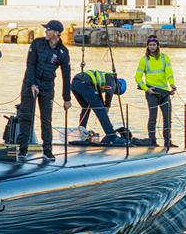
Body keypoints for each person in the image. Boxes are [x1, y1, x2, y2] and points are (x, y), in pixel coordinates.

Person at [16, 20, 72, 162]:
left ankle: (47, 150)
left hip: (47, 86)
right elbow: (30, 64)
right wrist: (32, 83)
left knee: (46, 119)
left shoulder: (63, 52)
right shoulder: (37, 43)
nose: (45, 32)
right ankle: (22, 149)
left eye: (48, 30)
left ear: (56, 33)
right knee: (26, 116)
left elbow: (66, 75)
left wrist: (67, 98)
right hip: (30, 84)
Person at [135, 35, 178, 148]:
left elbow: (169, 73)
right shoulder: (144, 60)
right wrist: (146, 89)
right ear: (147, 46)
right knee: (152, 118)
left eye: (154, 45)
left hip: (164, 92)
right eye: (150, 45)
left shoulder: (165, 58)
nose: (152, 47)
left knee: (167, 118)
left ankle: (168, 142)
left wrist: (172, 84)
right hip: (152, 92)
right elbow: (137, 78)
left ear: (158, 46)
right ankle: (152, 141)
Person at [71, 69, 127, 145]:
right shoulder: (112, 79)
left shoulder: (102, 79)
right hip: (85, 83)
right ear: (119, 85)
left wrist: (103, 106)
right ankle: (112, 136)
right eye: (117, 92)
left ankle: (82, 132)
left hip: (75, 83)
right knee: (100, 110)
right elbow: (109, 90)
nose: (115, 93)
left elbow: (98, 97)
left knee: (86, 107)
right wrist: (107, 106)